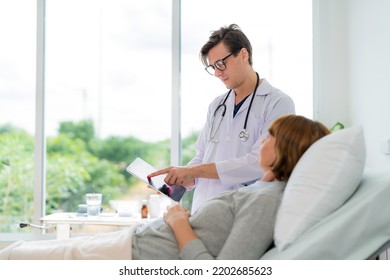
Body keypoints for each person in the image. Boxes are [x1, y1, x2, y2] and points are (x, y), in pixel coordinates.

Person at [0, 115, 330, 260]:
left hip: (140, 254)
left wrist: (179, 222)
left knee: (18, 257)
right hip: (137, 244)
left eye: (270, 136)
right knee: (15, 253)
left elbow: (227, 272)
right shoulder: (261, 191)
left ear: (286, 148)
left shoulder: (266, 201)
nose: (262, 141)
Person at [149, 24, 295, 213]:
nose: (217, 73)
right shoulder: (217, 106)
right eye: (213, 67)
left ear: (243, 55)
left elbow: (259, 164)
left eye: (221, 64)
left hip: (241, 210)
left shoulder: (278, 103)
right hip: (203, 209)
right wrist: (177, 180)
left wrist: (193, 171)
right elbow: (202, 156)